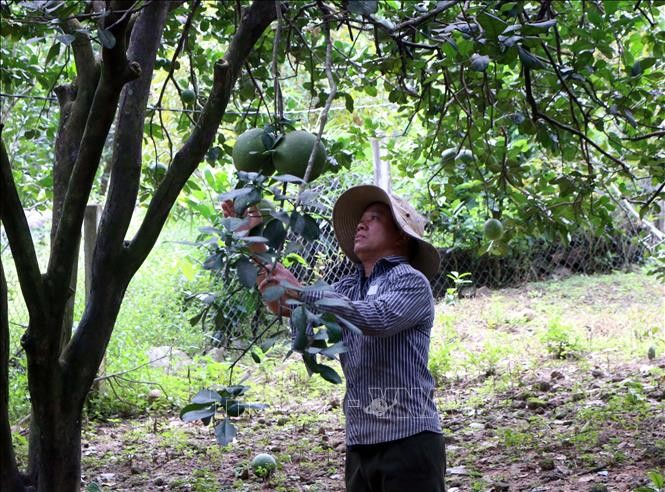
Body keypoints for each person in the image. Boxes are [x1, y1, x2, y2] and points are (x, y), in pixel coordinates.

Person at [223, 184, 445, 491]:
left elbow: (375, 317)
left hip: (410, 439)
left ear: (400, 236)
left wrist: (304, 291)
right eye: (361, 219)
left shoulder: (410, 281)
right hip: (360, 440)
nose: (362, 224)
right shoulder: (347, 288)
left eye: (375, 218)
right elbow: (287, 301)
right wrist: (251, 239)